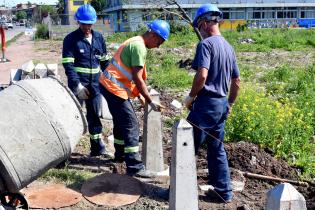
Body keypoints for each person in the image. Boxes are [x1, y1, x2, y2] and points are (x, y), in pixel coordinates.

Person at [184, 4, 241, 203]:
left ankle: (179, 192)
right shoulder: (228, 47)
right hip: (221, 104)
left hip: (206, 105)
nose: (200, 31)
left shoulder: (206, 45)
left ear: (207, 23)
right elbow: (236, 82)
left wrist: (191, 96)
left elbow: (202, 75)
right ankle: (223, 192)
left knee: (186, 147)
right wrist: (230, 104)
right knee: (217, 149)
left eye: (200, 26)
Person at [99, 19, 170, 177]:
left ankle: (120, 155)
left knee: (121, 121)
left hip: (109, 86)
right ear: (152, 35)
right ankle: (135, 167)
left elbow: (128, 76)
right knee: (131, 125)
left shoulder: (136, 42)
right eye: (159, 42)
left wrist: (140, 96)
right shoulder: (139, 47)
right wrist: (149, 99)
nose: (158, 46)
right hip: (113, 89)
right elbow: (138, 78)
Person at [62, 4, 109, 157]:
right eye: (84, 23)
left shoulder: (99, 38)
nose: (87, 27)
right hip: (78, 86)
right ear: (78, 22)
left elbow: (104, 62)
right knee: (73, 117)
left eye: (89, 24)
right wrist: (77, 86)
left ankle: (96, 148)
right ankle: (66, 151)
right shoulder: (70, 40)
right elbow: (68, 64)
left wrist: (110, 79)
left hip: (95, 85)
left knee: (94, 116)